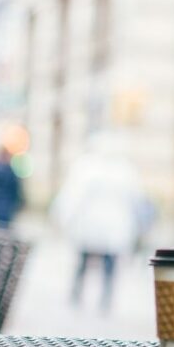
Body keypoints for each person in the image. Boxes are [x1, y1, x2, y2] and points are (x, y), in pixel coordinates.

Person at [51, 133, 151, 314]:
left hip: (91, 226)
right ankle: (103, 299)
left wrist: (64, 219)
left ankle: (78, 296)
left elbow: (71, 198)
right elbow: (137, 201)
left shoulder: (87, 167)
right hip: (112, 227)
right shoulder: (124, 170)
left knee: (84, 262)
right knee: (106, 266)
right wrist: (140, 227)